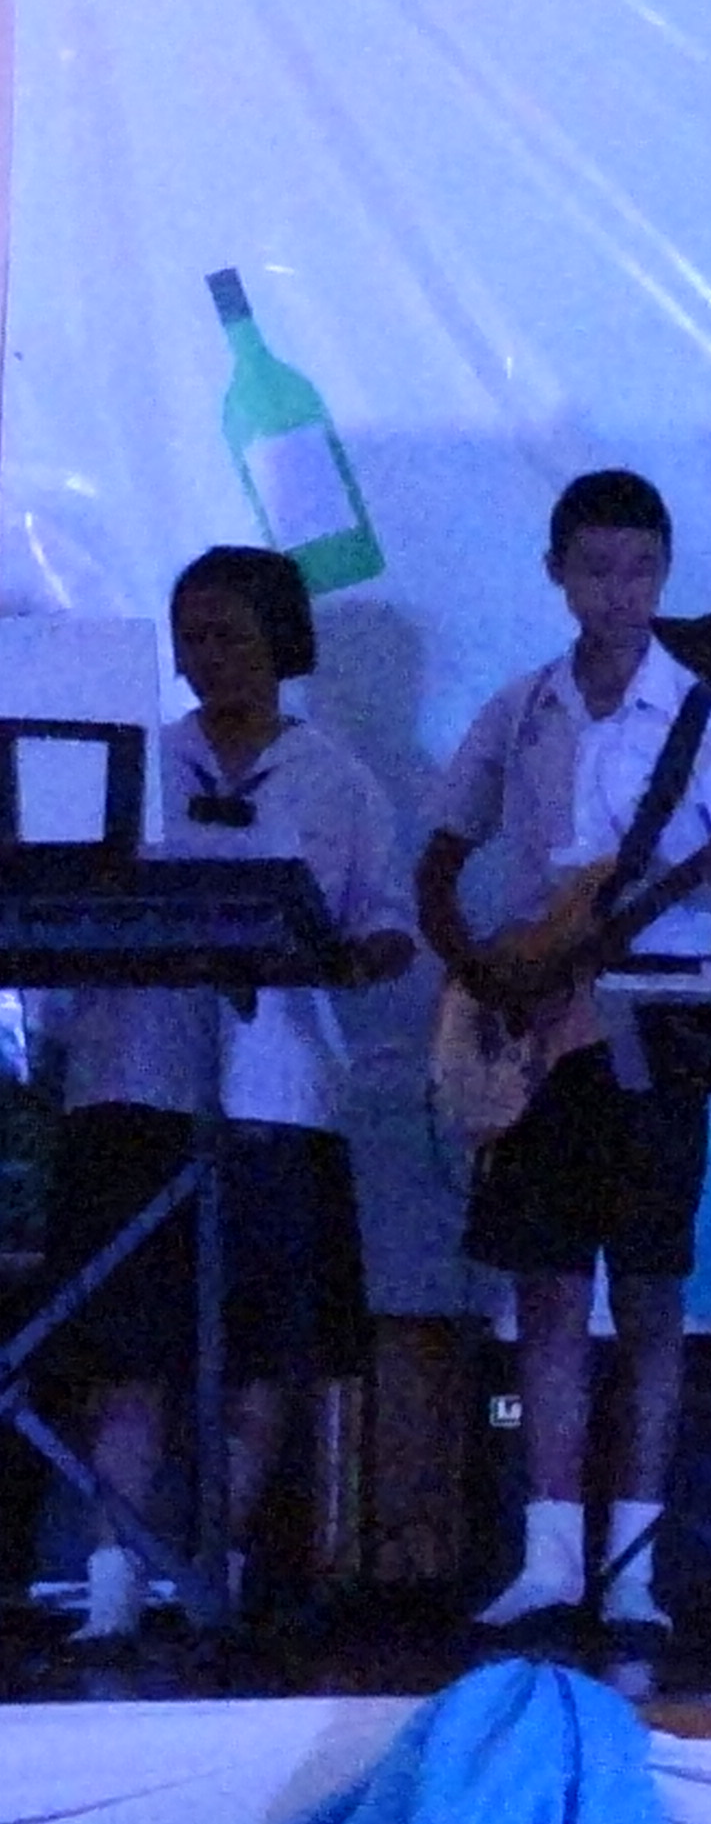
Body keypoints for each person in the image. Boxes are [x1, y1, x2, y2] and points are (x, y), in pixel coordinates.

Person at [19, 547, 415, 1639]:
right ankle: (112, 1577)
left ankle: (217, 1570)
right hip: (133, 1081)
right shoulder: (137, 764)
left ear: (282, 640)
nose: (208, 658)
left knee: (259, 1357)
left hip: (277, 1094)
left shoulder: (338, 779)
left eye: (230, 635)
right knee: (129, 1352)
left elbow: (384, 921)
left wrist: (358, 956)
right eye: (191, 637)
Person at [420, 468, 711, 1632]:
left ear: (665, 572)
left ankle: (631, 1565)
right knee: (544, 1288)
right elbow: (440, 856)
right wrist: (481, 969)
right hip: (536, 1022)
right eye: (596, 568)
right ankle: (547, 1558)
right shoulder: (522, 707)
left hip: (653, 1021)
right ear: (556, 573)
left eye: (640, 568)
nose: (619, 590)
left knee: (650, 1291)